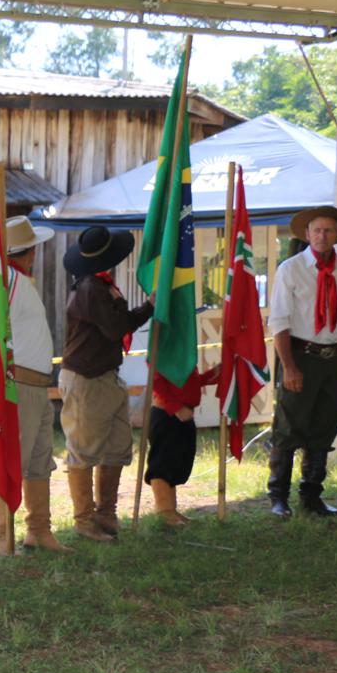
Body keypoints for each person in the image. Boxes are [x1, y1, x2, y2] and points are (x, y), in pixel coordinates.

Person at [266, 206, 337, 517]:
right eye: (317, 230)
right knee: (289, 426)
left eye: (328, 231)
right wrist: (290, 368)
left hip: (335, 359)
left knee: (325, 425)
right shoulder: (291, 269)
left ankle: (311, 496)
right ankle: (278, 497)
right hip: (300, 356)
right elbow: (279, 322)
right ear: (307, 234)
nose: (322, 236)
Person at [60, 227, 153, 541]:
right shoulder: (90, 289)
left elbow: (115, 326)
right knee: (84, 451)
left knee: (116, 447)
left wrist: (143, 309)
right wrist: (147, 308)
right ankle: (84, 521)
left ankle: (105, 513)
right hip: (86, 379)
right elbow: (115, 328)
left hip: (105, 376)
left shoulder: (99, 286)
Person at [0, 217, 68, 553]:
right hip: (22, 382)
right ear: (31, 252)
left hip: (36, 384)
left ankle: (38, 529)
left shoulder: (20, 281)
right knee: (18, 459)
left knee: (39, 459)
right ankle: (4, 535)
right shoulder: (9, 280)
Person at [145, 360, 221, 526]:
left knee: (176, 464)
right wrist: (176, 407)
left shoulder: (181, 351)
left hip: (182, 413)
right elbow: (155, 380)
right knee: (162, 464)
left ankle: (171, 510)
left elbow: (186, 383)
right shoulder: (162, 349)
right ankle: (164, 511)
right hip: (166, 413)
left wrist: (210, 375)